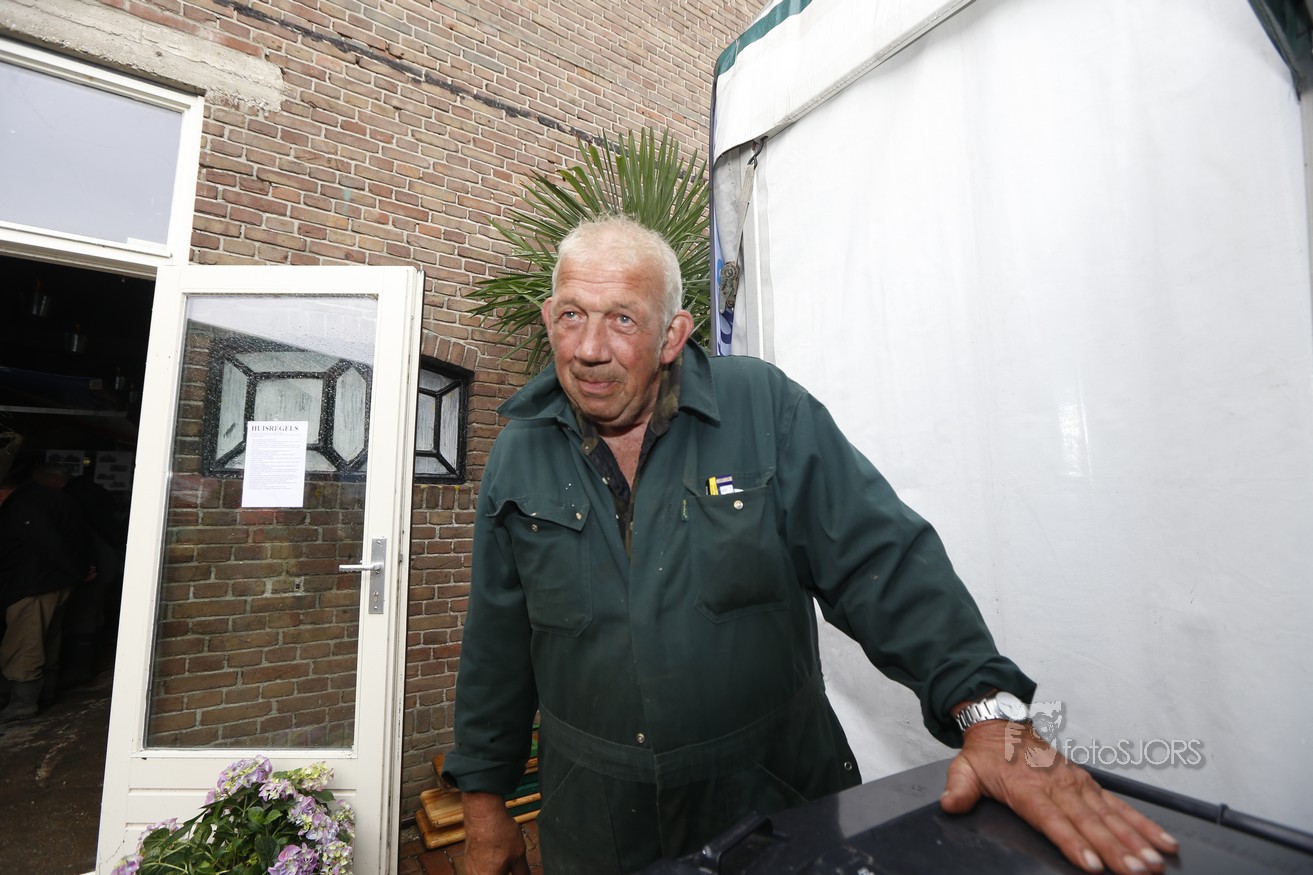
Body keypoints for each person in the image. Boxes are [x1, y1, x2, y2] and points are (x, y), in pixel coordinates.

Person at [442, 216, 1177, 875]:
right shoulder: (517, 454)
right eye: (572, 315)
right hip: (597, 826)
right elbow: (496, 647)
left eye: (622, 320)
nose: (589, 349)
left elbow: (879, 561)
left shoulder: (765, 409)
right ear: (549, 317)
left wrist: (988, 716)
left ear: (672, 335)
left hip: (771, 805)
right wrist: (483, 806)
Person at [0, 463, 95, 722]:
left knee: (24, 644)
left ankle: (22, 703)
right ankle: (45, 695)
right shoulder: (56, 500)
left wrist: (79, 569)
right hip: (55, 581)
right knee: (48, 639)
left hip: (34, 584)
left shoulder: (25, 505)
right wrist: (79, 569)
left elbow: (48, 543)